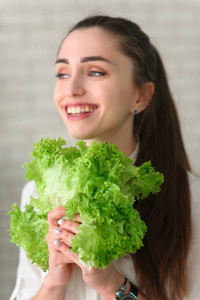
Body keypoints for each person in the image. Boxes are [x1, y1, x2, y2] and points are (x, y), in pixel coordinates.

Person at [10, 15, 200, 300]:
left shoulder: (191, 201)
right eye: (62, 73)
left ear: (140, 96)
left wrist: (112, 284)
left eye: (95, 72)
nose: (71, 89)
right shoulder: (38, 193)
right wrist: (54, 282)